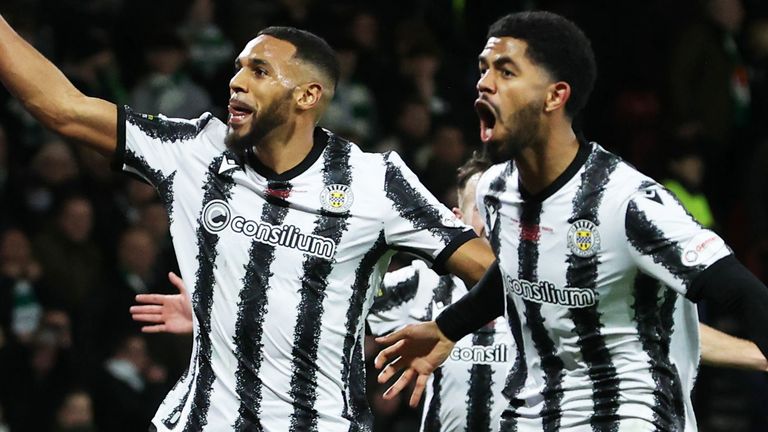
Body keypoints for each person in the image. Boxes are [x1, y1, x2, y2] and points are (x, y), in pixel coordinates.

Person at [0, 17, 494, 431]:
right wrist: (227, 312)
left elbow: (495, 273)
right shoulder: (195, 151)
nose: (236, 80)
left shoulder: (374, 182)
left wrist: (450, 326)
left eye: (259, 70)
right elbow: (61, 107)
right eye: (238, 67)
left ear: (307, 95)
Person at [133, 154, 768, 432]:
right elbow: (322, 306)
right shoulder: (420, 283)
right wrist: (221, 310)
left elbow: (664, 335)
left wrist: (755, 352)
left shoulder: (562, 282)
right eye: (474, 212)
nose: (488, 225)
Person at [373, 11, 768, 432]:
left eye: (506, 72)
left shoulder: (627, 202)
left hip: (628, 415)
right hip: (533, 414)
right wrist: (446, 328)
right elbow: (512, 274)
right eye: (483, 69)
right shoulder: (494, 191)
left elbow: (745, 294)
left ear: (554, 96)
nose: (484, 83)